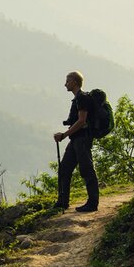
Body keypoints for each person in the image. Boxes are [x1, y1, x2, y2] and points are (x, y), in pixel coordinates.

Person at [53, 71, 99, 212]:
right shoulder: (78, 99)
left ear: (74, 81)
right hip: (76, 140)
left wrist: (64, 135)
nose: (65, 84)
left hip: (82, 139)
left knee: (86, 169)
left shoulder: (82, 98)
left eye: (67, 81)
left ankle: (92, 204)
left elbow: (81, 121)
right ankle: (62, 201)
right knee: (64, 168)